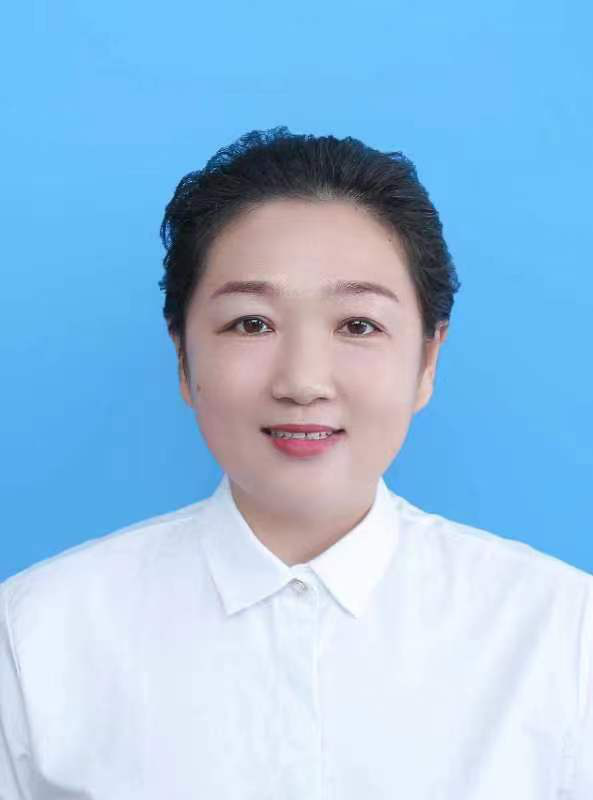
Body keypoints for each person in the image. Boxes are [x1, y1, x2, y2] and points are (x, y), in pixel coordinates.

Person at [1, 126, 591, 798]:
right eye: (251, 323)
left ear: (427, 359)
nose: (303, 381)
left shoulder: (563, 635)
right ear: (183, 358)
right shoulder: (35, 636)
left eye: (358, 325)